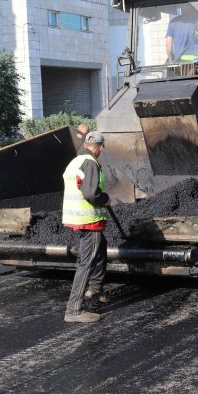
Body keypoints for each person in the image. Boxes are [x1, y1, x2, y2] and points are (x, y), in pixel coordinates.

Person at [62, 131, 111, 323]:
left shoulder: (76, 161)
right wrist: (105, 198)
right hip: (89, 220)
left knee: (101, 250)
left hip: (80, 218)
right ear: (101, 147)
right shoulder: (90, 163)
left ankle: (95, 291)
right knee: (87, 262)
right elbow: (91, 193)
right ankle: (74, 309)